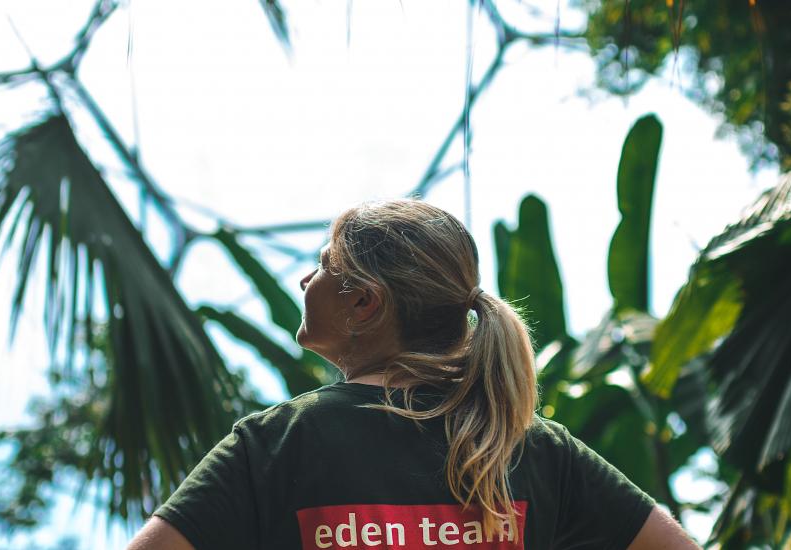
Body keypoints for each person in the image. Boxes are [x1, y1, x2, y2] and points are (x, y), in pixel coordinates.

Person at [128, 199, 700, 550]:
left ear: (363, 304)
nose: (305, 282)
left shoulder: (278, 443)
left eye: (325, 265)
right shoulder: (533, 448)